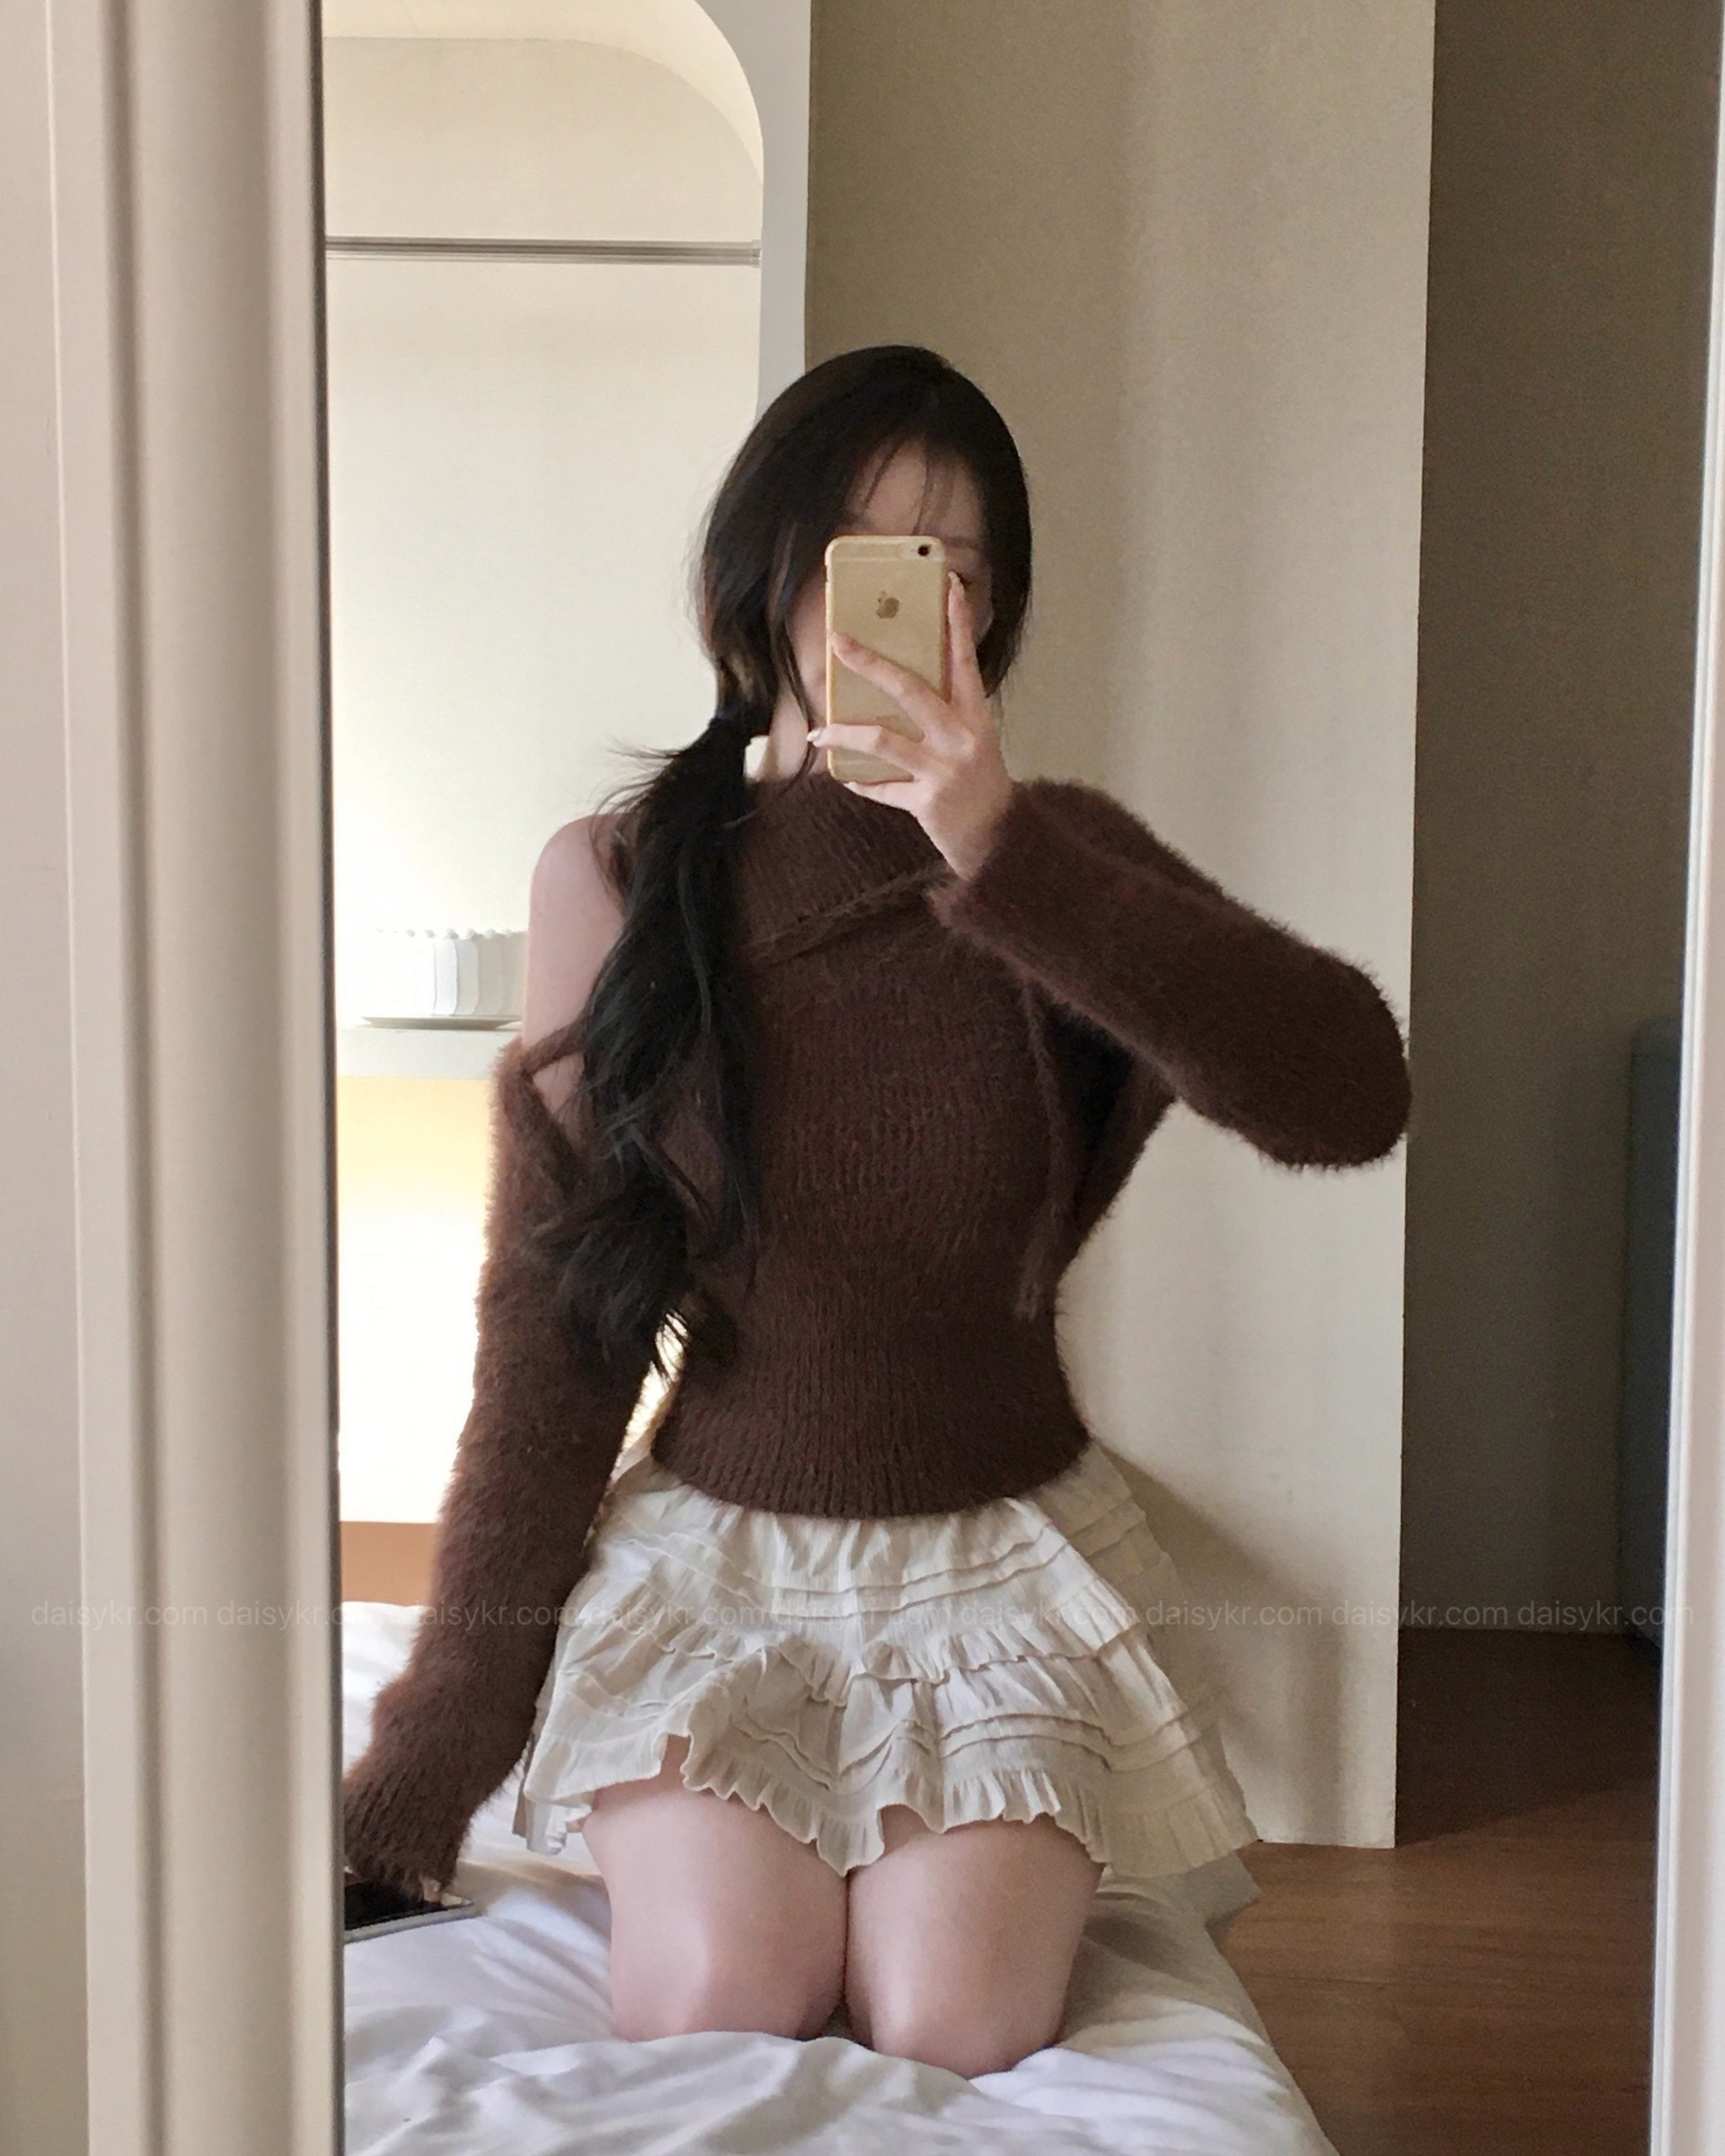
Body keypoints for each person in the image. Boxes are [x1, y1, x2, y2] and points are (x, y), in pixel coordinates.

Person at [341, 343, 1411, 2078]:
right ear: (755, 578)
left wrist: (995, 841)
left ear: (995, 614)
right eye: (859, 559)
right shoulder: (619, 881)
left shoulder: (1055, 862)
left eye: (953, 572)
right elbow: (554, 1340)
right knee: (721, 1996)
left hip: (998, 1567)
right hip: (723, 1570)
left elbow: (1350, 1093)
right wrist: (427, 1758)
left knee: (955, 2018)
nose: (905, 611)